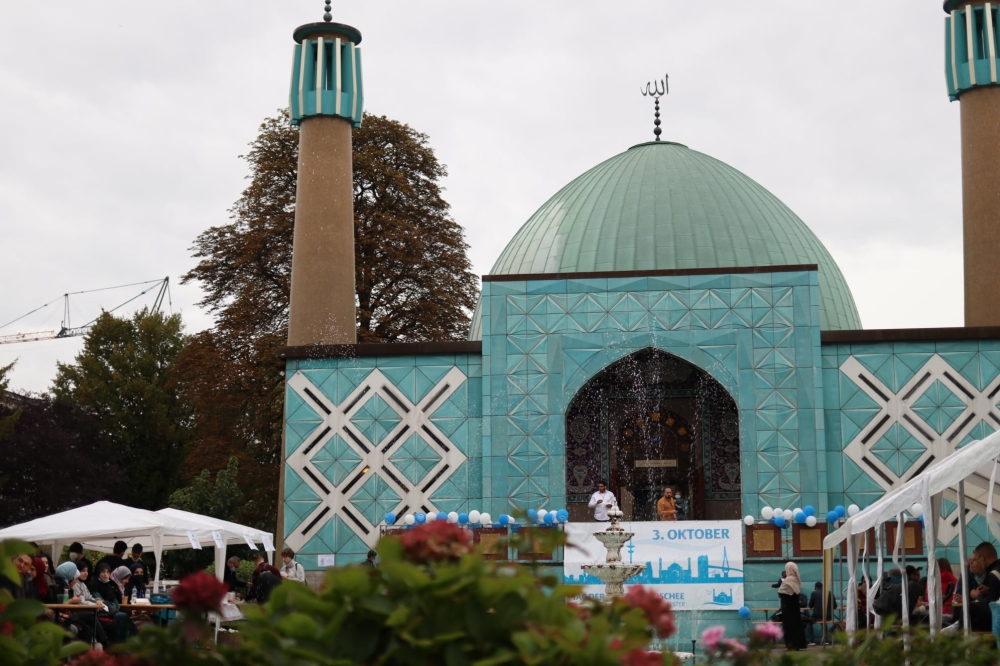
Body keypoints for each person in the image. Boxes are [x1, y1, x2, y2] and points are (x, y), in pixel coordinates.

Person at [56, 561, 109, 648]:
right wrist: (71, 601)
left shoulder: (67, 584)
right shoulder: (60, 585)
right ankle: (105, 644)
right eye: (74, 577)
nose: (75, 580)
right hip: (63, 614)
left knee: (88, 623)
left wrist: (97, 600)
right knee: (91, 617)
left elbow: (88, 597)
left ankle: (85, 654)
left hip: (69, 612)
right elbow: (58, 602)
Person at [966, 541, 1000, 631]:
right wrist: (989, 591)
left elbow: (991, 606)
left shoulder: (994, 574)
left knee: (969, 608)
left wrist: (978, 595)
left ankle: (961, 633)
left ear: (982, 558)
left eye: (976, 559)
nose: (972, 563)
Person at [777, 562, 807, 650]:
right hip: (794, 605)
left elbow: (781, 591)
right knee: (796, 623)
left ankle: (792, 645)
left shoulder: (788, 580)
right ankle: (799, 644)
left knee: (789, 625)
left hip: (787, 605)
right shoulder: (796, 579)